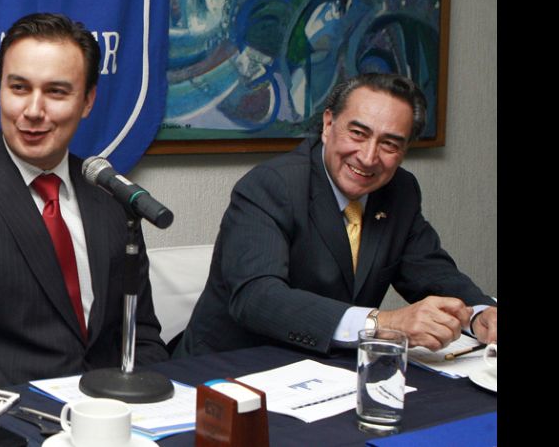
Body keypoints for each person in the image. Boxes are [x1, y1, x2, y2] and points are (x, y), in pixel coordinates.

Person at [0, 13, 168, 405]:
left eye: (56, 92)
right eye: (19, 87)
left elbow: (143, 339)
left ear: (87, 101)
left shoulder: (110, 196)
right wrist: (71, 414)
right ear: (0, 89)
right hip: (17, 422)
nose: (34, 110)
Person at [174, 73, 497, 358]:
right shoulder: (272, 185)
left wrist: (479, 314)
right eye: (358, 133)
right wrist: (382, 323)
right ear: (328, 125)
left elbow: (430, 270)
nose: (368, 157)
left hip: (332, 372)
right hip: (233, 371)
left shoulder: (400, 190)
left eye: (389, 144)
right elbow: (258, 299)